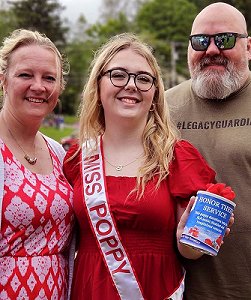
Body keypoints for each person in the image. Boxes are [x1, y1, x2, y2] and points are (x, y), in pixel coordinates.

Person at [63, 32, 216, 300]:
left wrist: (191, 240)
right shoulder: (77, 159)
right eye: (118, 75)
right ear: (98, 87)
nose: (131, 85)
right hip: (90, 290)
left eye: (144, 79)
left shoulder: (176, 157)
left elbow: (192, 250)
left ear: (155, 93)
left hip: (156, 290)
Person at [166, 2, 251, 299]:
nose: (212, 49)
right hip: (179, 290)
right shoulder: (162, 108)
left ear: (249, 47)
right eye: (201, 41)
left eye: (225, 39)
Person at [0, 29, 74, 299]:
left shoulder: (59, 154)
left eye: (49, 78)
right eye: (25, 75)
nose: (39, 86)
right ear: (3, 80)